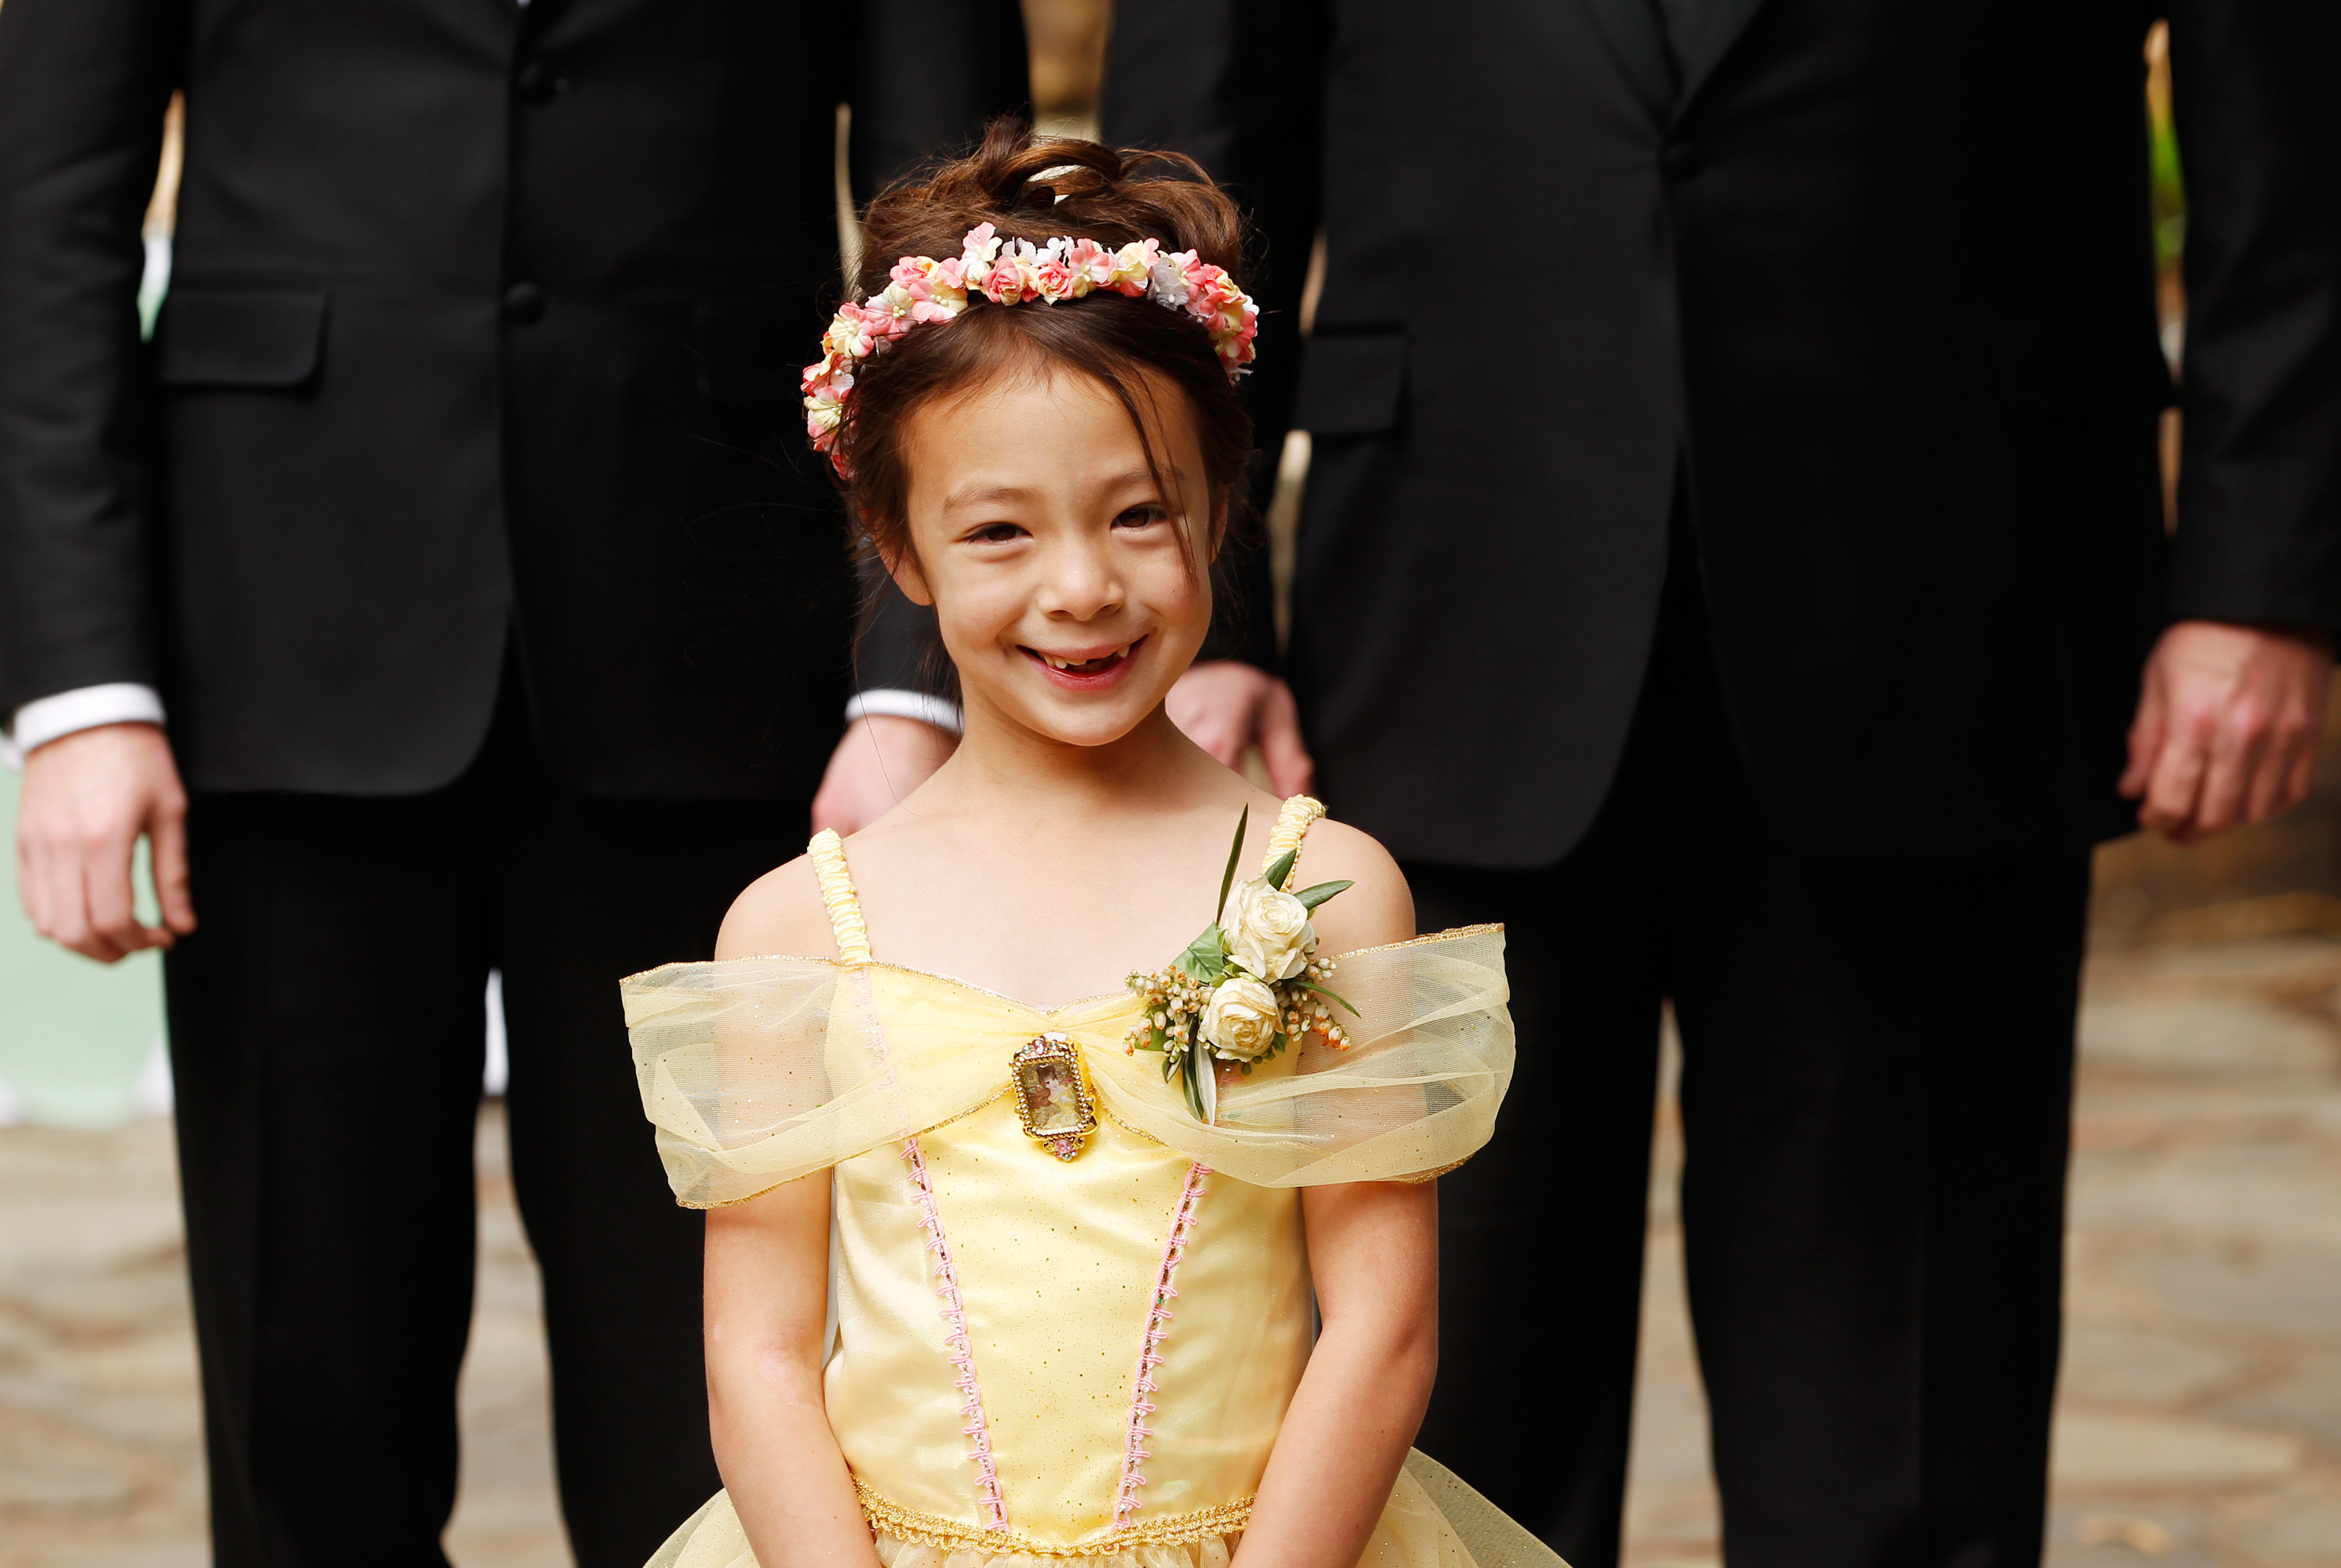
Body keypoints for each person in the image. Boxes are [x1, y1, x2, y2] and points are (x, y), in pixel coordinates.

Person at [1103, 5, 2341, 1568]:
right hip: (1440, 608)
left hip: (1946, 589)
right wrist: (1209, 604)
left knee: (1901, 1432)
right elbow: (1198, 130)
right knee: (1431, 1411)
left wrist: (2265, 575)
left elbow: (2282, 108)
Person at [0, 3, 1019, 1562]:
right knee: (306, 1403)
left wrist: (912, 677)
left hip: (721, 654)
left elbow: (953, 230)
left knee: (719, 1395)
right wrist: (79, 686)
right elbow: (41, 219)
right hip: (281, 639)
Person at [616, 124, 1534, 1568]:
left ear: (1220, 512)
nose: (1082, 587)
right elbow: (759, 1356)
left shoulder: (1331, 894)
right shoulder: (795, 930)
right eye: (998, 531)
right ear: (896, 541)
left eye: (1139, 514)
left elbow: (1382, 1327)